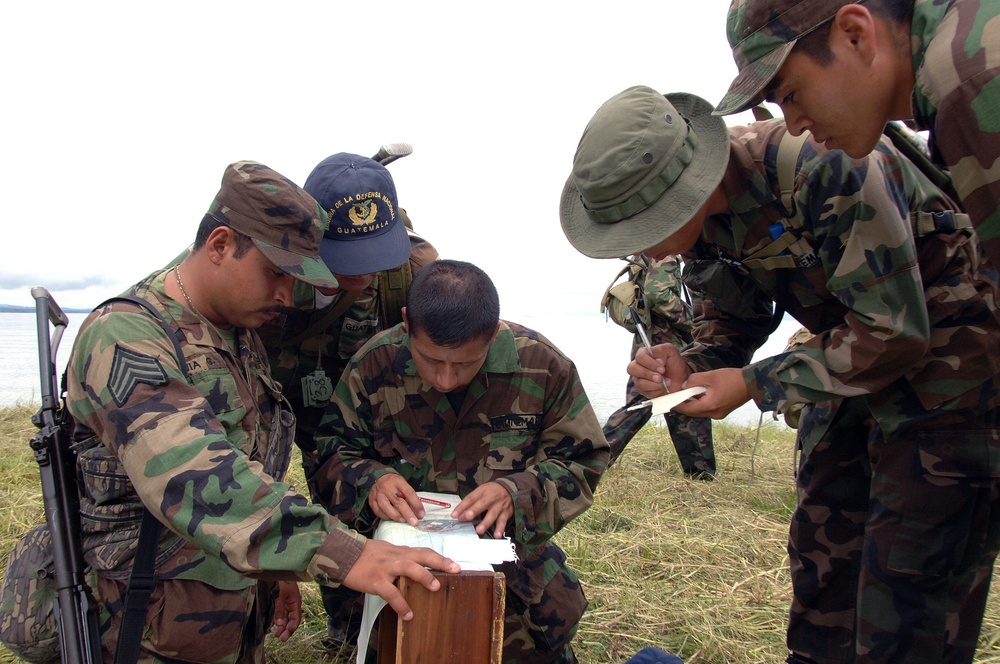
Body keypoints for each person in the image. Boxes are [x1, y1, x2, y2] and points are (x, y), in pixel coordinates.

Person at [559, 86, 1000, 664]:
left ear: (687, 191)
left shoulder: (824, 163)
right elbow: (734, 321)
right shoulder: (703, 228)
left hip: (953, 380)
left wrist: (755, 384)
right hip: (845, 373)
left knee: (911, 591)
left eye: (642, 227)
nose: (638, 250)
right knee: (824, 561)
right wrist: (692, 367)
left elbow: (895, 330)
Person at [64, 160, 460, 663]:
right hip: (143, 627)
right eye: (276, 272)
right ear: (221, 245)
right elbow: (196, 479)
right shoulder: (125, 337)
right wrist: (345, 553)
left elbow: (254, 461)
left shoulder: (238, 329)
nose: (288, 294)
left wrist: (275, 570)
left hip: (220, 621)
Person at [310, 258, 610, 663]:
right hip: (399, 582)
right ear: (406, 324)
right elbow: (330, 453)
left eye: (465, 364)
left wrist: (517, 493)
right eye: (430, 360)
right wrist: (371, 481)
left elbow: (583, 459)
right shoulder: (373, 365)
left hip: (517, 588)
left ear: (493, 332)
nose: (445, 379)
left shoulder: (542, 367)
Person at [258, 153, 439, 652]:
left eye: (374, 255)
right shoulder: (270, 273)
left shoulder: (415, 268)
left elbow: (442, 342)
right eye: (345, 259)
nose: (361, 275)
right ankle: (343, 623)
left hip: (372, 410)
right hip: (286, 405)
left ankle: (389, 627)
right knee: (325, 510)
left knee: (384, 502)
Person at [713, 0, 1000, 271]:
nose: (794, 127)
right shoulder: (963, 42)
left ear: (855, 35)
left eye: (789, 95)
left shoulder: (967, 83)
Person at [601, 254, 716, 476]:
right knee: (678, 400)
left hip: (650, 343)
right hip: (667, 346)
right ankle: (701, 473)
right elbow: (658, 294)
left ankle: (593, 457)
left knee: (647, 406)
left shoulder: (644, 256)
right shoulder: (664, 254)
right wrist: (696, 321)